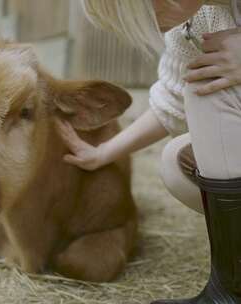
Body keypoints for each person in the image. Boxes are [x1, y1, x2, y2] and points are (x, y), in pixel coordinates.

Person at [58, 1, 241, 303]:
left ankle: (230, 295)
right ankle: (229, 286)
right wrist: (102, 153)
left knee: (205, 90)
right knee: (177, 164)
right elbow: (172, 98)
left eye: (148, 16)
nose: (154, 28)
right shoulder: (192, 22)